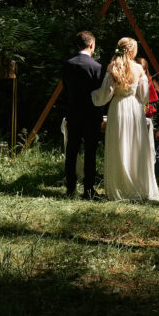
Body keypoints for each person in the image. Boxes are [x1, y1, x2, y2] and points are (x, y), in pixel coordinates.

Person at [91, 38, 159, 202]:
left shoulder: (112, 67)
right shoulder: (139, 69)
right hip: (134, 109)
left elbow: (106, 94)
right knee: (136, 146)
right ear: (132, 51)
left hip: (118, 108)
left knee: (118, 145)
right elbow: (144, 97)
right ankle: (138, 187)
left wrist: (93, 96)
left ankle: (119, 187)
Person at [61, 30, 104, 199]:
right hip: (91, 115)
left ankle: (70, 188)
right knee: (90, 153)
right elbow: (99, 94)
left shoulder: (67, 64)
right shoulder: (96, 67)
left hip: (73, 113)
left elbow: (65, 90)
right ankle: (88, 189)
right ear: (92, 45)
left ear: (78, 45)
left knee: (71, 151)